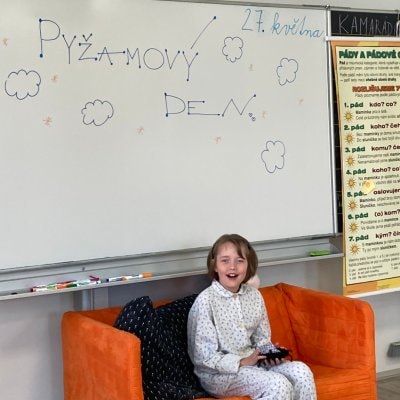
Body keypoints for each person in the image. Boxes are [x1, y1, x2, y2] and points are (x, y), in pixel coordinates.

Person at [187, 234, 317, 400]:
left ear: (248, 266)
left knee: (302, 372)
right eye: (225, 261)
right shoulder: (205, 302)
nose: (232, 267)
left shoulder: (254, 296)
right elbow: (204, 358)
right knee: (278, 384)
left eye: (240, 261)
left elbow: (262, 339)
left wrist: (269, 354)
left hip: (255, 363)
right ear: (215, 266)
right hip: (219, 375)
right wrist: (242, 362)